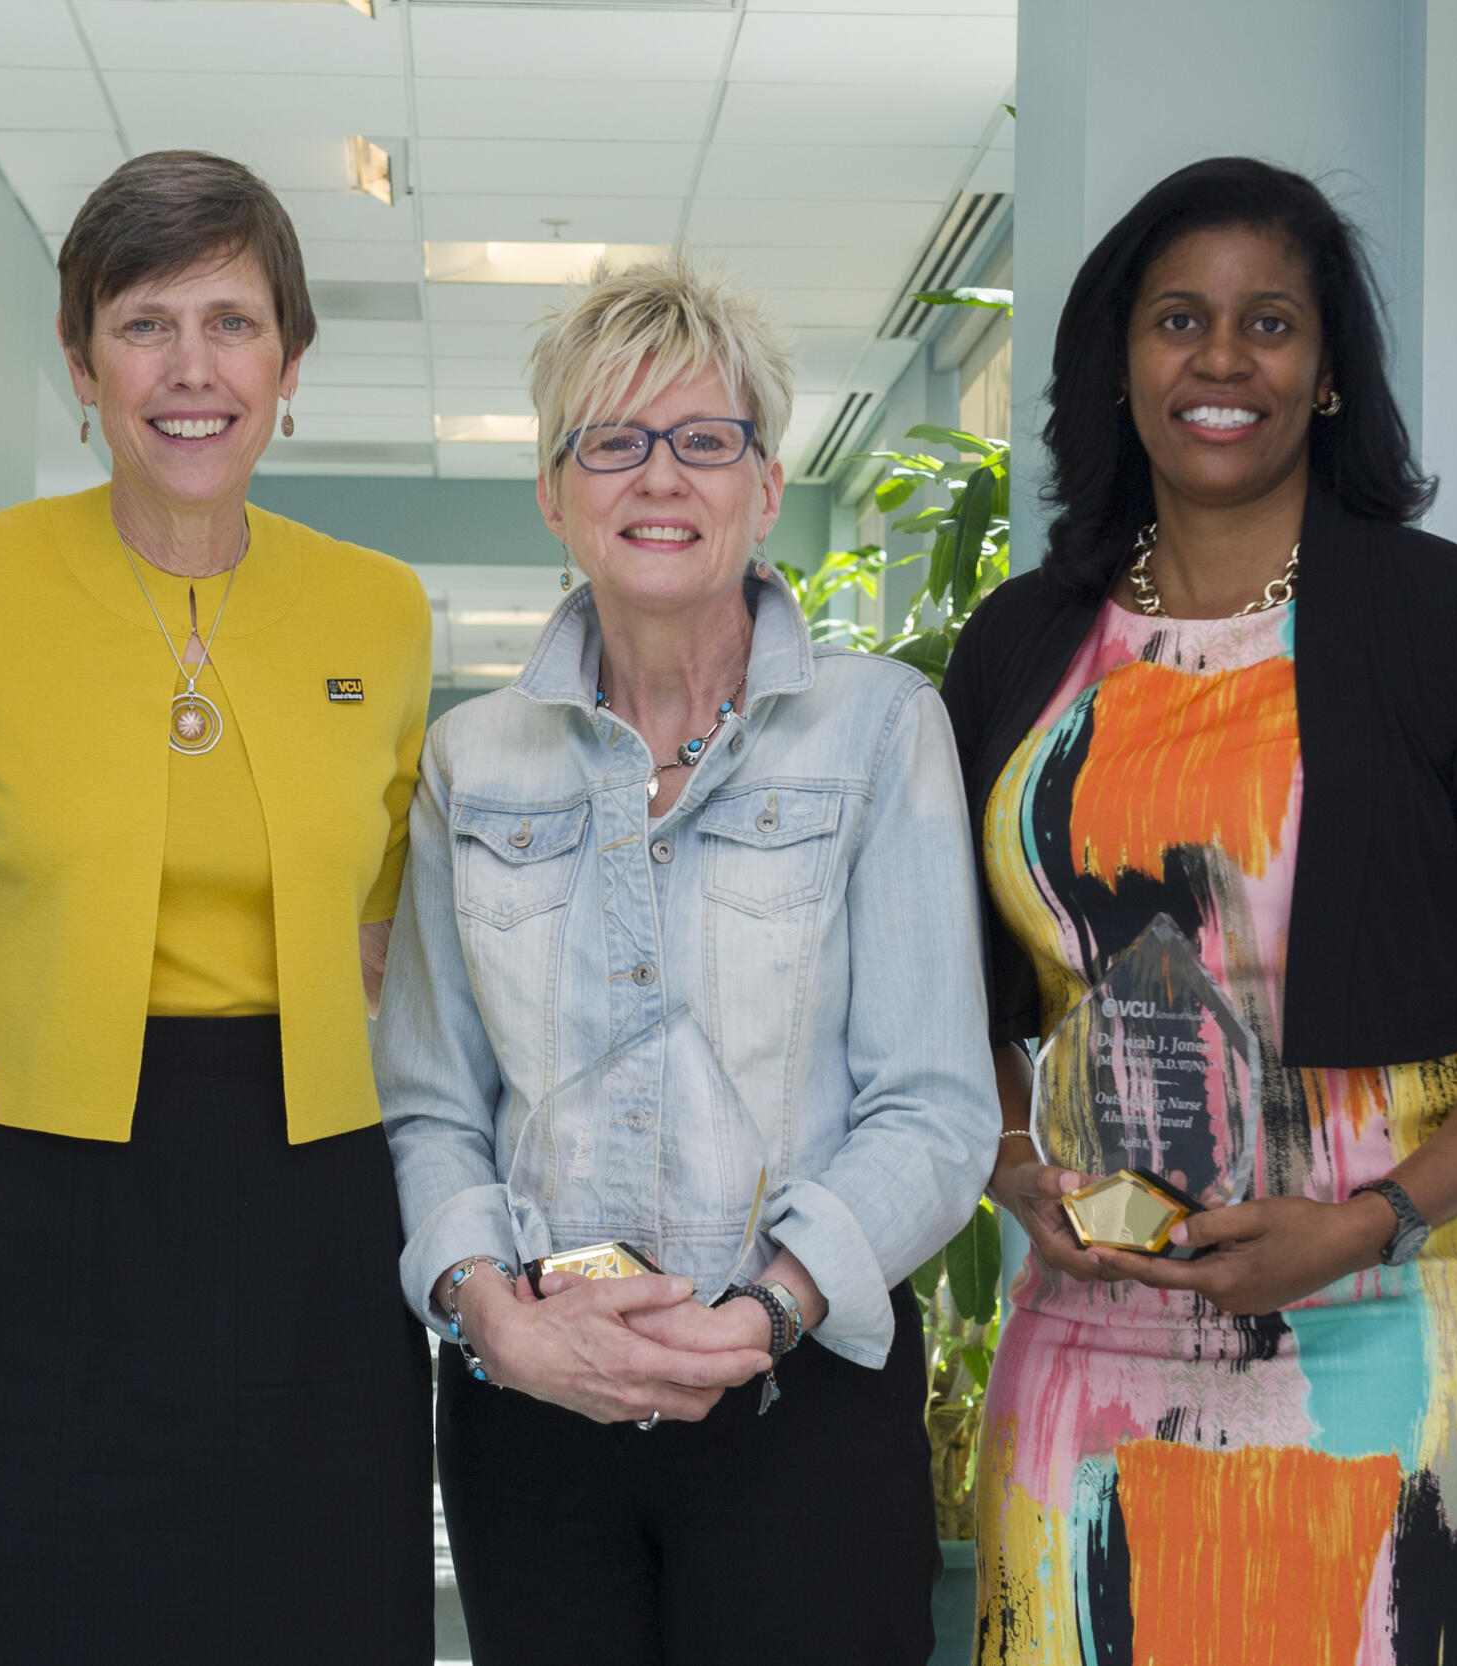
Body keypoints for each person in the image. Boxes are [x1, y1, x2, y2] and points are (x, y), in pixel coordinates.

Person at [947, 158, 1457, 1663]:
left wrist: (1366, 1221)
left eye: (1272, 324)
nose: (1222, 359)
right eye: (1179, 318)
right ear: (1119, 360)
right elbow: (960, 1005)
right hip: (1091, 1361)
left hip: (1395, 1348)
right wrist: (1013, 1167)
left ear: (1328, 375)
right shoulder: (1020, 646)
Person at [0, 150, 433, 1665]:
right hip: (17, 1189)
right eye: (144, 322)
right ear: (80, 358)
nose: (191, 369)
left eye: (233, 323)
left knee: (310, 1601)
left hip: (313, 1190)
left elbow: (386, 925)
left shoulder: (380, 608)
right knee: (7, 1597)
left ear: (290, 364)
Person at [375, 259, 1000, 1665]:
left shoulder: (880, 731)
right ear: (554, 492)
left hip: (800, 1407)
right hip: (531, 1411)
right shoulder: (473, 761)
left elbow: (938, 1105)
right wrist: (495, 1317)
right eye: (614, 439)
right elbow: (429, 1103)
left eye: (705, 437)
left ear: (766, 485)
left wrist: (771, 1305)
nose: (661, 475)